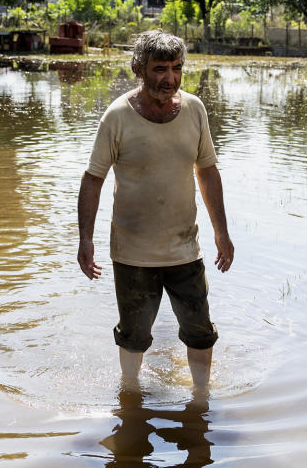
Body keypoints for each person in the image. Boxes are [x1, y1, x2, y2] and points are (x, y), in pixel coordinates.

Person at [77, 30, 233, 391]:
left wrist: (221, 232)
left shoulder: (194, 110)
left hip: (184, 249)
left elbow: (207, 171)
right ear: (138, 69)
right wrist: (86, 239)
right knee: (133, 336)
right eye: (160, 69)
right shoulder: (117, 117)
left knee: (200, 332)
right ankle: (130, 397)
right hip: (133, 253)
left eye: (176, 68)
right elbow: (93, 179)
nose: (170, 78)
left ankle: (201, 399)